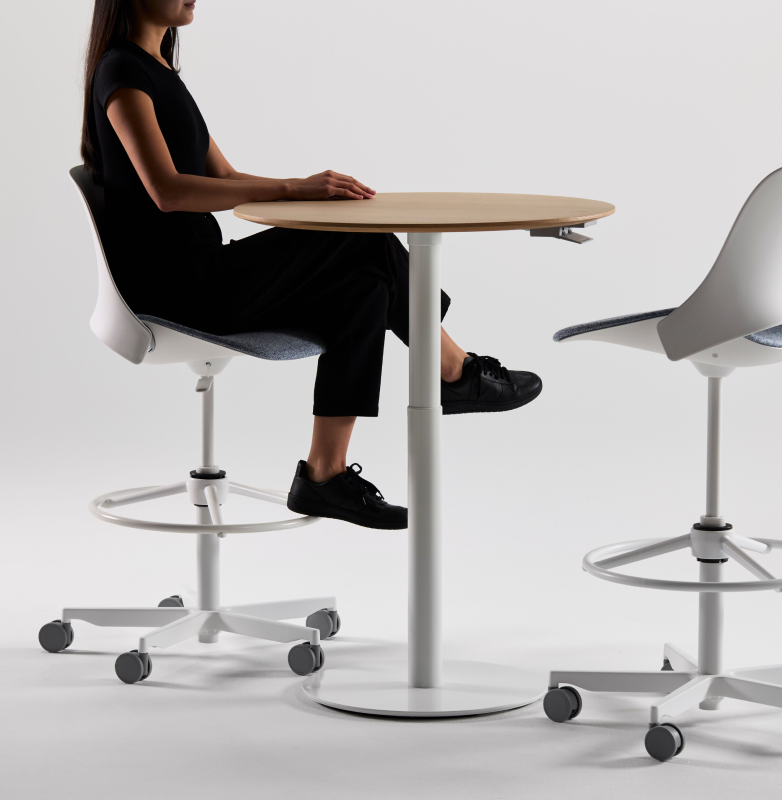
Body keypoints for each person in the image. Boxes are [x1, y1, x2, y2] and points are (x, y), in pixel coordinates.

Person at [81, 0, 542, 530]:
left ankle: (325, 474)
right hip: (177, 290)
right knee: (364, 245)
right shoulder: (120, 71)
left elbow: (225, 176)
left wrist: (309, 197)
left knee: (364, 284)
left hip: (205, 272)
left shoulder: (162, 71)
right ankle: (455, 371)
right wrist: (296, 189)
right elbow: (166, 190)